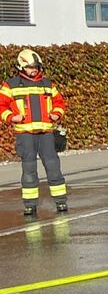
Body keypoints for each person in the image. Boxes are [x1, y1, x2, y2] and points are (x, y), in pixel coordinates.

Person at [0, 50, 68, 216]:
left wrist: (57, 114)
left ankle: (61, 202)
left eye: (36, 67)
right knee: (29, 170)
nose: (34, 70)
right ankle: (30, 205)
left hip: (46, 134)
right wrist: (11, 117)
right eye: (31, 67)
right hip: (25, 135)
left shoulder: (47, 84)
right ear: (21, 66)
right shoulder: (11, 85)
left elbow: (59, 102)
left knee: (53, 167)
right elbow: (1, 106)